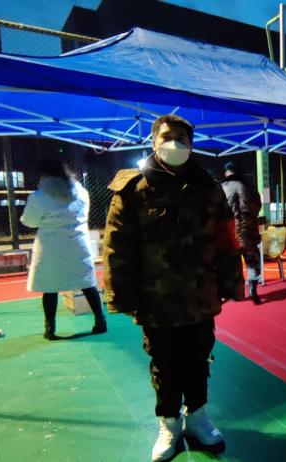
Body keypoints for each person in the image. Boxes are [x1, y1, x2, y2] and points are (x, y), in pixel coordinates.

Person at [102, 114, 244, 461]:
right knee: (163, 363)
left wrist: (230, 283)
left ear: (191, 145)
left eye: (182, 137)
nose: (175, 143)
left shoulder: (208, 188)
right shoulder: (134, 189)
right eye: (167, 136)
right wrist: (121, 295)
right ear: (153, 142)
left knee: (198, 358)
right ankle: (169, 423)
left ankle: (196, 417)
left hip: (199, 295)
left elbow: (225, 239)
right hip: (156, 298)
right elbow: (117, 246)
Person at [19, 158, 105, 340]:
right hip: (77, 244)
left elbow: (29, 221)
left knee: (50, 287)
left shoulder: (39, 196)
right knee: (87, 284)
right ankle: (100, 320)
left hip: (51, 247)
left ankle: (50, 328)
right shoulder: (81, 192)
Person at [220, 161, 264, 305]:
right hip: (249, 229)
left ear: (227, 172)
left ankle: (237, 293)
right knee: (252, 261)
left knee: (234, 263)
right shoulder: (249, 186)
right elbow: (258, 205)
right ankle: (253, 289)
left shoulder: (223, 187)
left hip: (230, 230)